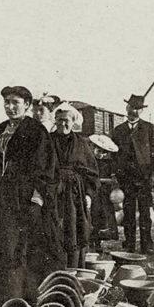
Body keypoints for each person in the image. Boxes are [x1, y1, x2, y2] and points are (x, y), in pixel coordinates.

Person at [0, 86, 65, 303]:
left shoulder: (36, 131)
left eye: (15, 103)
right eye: (7, 102)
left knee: (16, 245)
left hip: (21, 198)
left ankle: (16, 298)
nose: (10, 107)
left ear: (27, 105)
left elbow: (46, 168)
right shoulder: (0, 129)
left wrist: (37, 198)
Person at [110, 93, 154, 254]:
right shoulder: (118, 130)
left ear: (142, 111)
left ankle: (147, 244)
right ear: (127, 108)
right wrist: (115, 174)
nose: (135, 111)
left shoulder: (149, 128)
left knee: (145, 212)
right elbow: (112, 153)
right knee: (128, 212)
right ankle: (130, 243)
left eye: (139, 109)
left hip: (144, 177)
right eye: (133, 107)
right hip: (126, 178)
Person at [50, 103, 99, 267]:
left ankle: (74, 270)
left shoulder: (81, 143)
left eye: (66, 121)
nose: (62, 124)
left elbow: (91, 172)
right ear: (55, 121)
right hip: (53, 192)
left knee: (74, 231)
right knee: (54, 229)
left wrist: (88, 195)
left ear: (73, 122)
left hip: (75, 195)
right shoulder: (48, 142)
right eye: (59, 120)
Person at [88, 133, 120, 244]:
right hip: (93, 192)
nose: (101, 155)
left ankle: (100, 240)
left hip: (105, 193)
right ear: (94, 148)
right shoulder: (89, 161)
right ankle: (93, 240)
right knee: (93, 214)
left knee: (105, 216)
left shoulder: (108, 163)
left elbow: (113, 178)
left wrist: (112, 180)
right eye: (99, 151)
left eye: (104, 152)